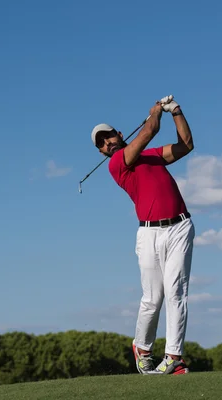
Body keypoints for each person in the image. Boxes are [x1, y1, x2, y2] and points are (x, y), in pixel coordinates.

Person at [90, 95, 195, 375]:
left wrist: (176, 112)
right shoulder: (117, 164)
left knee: (176, 292)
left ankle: (174, 357)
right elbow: (149, 130)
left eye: (108, 136)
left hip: (180, 227)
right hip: (149, 233)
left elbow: (186, 146)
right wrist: (155, 112)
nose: (106, 143)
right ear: (101, 152)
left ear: (119, 134)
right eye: (101, 143)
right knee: (153, 297)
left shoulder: (152, 156)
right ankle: (143, 347)